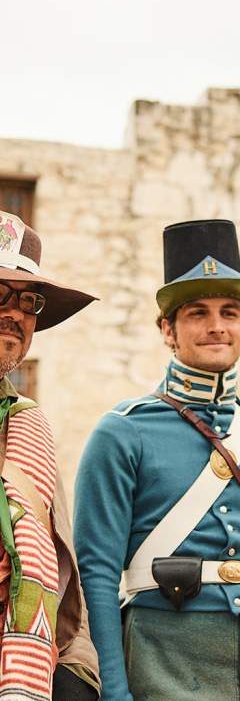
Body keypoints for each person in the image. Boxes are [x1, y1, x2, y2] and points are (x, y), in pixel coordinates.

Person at [74, 219, 240, 701]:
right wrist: (114, 691)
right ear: (167, 329)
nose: (217, 326)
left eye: (229, 312)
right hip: (162, 665)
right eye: (197, 312)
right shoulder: (122, 432)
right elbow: (97, 575)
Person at [0, 210, 100, 699]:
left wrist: (75, 678)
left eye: (28, 300)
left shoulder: (27, 424)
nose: (14, 312)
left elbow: (60, 578)